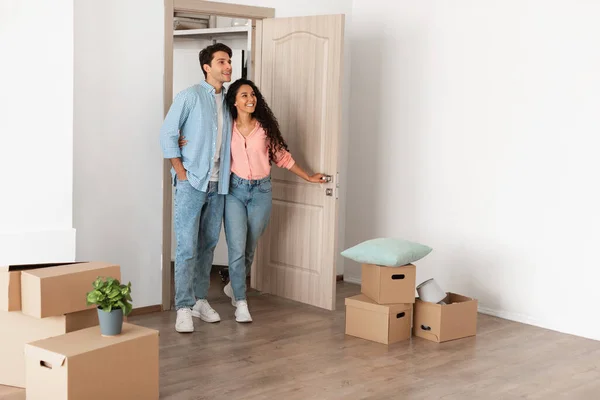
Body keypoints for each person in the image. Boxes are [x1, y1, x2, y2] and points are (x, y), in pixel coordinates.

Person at [179, 79, 326, 323]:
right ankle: (241, 302)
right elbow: (207, 142)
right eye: (245, 95)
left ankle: (233, 289)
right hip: (235, 191)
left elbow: (283, 158)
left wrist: (309, 177)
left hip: (261, 191)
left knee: (249, 246)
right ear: (234, 101)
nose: (250, 99)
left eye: (253, 95)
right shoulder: (226, 127)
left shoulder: (264, 129)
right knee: (237, 248)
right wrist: (182, 140)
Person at [160, 43, 233, 333]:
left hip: (220, 184)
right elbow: (167, 134)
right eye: (221, 61)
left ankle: (201, 300)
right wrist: (182, 172)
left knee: (208, 246)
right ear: (207, 66)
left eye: (228, 61)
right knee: (187, 246)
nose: (227, 66)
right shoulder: (189, 96)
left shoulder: (230, 101)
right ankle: (183, 306)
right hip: (192, 182)